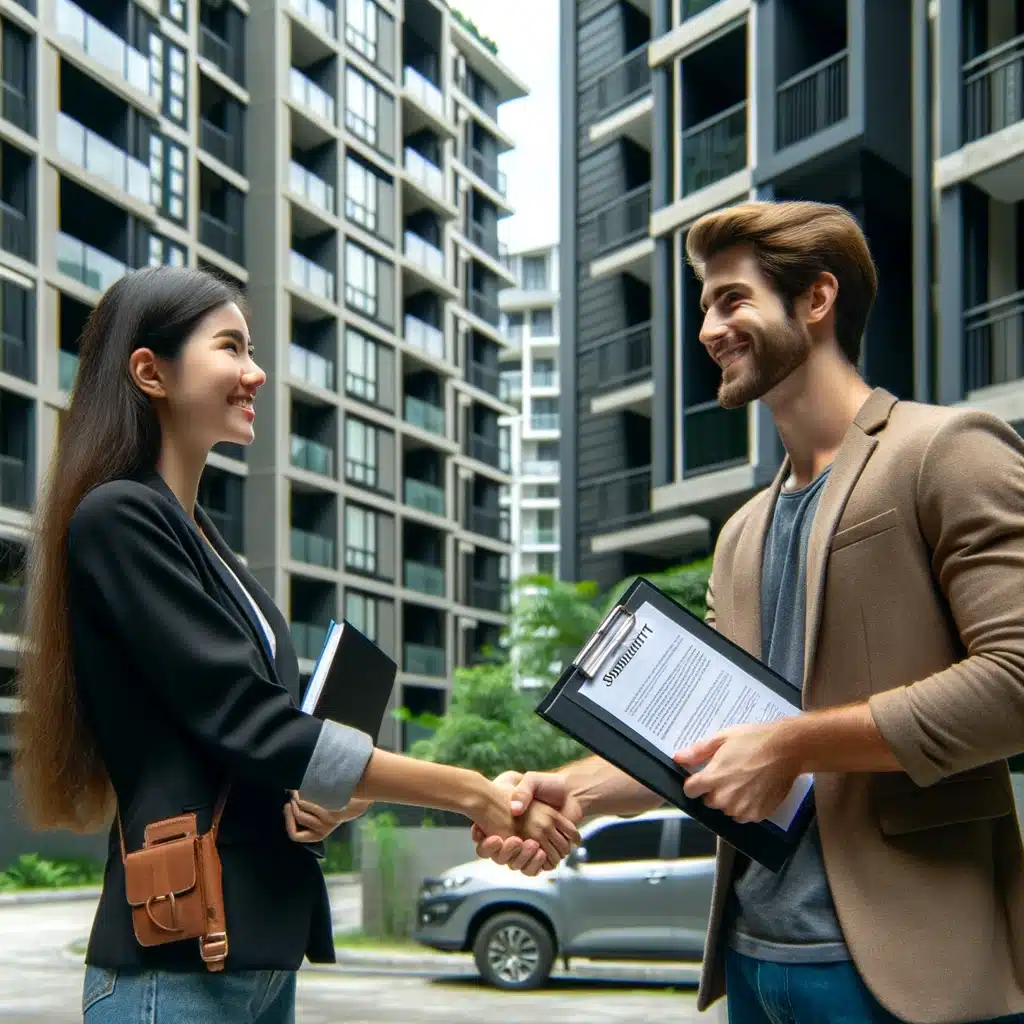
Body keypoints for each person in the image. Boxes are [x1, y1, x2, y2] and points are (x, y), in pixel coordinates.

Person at [473, 200, 1024, 1024]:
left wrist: (793, 740)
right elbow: (711, 744)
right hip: (753, 960)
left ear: (816, 300)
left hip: (912, 971)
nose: (708, 329)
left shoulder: (946, 451)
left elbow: (1015, 683)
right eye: (705, 307)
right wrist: (579, 792)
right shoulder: (740, 533)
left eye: (731, 299)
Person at [14, 266, 579, 1024]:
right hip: (178, 962)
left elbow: (245, 744)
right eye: (231, 348)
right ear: (150, 371)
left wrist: (327, 800)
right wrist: (472, 791)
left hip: (252, 955)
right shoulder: (119, 520)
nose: (257, 372)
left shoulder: (205, 544)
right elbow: (253, 723)